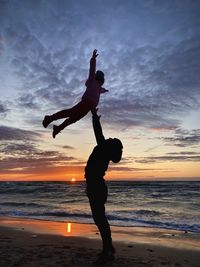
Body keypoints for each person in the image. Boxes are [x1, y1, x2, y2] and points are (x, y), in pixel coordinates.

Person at [85, 109, 123, 265]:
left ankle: (108, 249)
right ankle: (108, 247)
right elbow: (100, 135)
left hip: (96, 186)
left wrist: (95, 118)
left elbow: (98, 133)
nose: (110, 137)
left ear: (111, 147)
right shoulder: (104, 149)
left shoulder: (103, 147)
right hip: (96, 185)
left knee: (100, 219)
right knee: (100, 219)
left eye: (113, 139)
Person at [42, 49, 108, 138]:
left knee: (73, 119)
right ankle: (49, 118)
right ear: (97, 77)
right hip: (86, 103)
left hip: (90, 108)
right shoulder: (92, 80)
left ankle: (58, 129)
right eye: (99, 77)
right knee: (70, 113)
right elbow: (92, 69)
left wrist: (105, 91)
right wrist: (93, 59)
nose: (100, 79)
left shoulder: (99, 89)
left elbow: (101, 90)